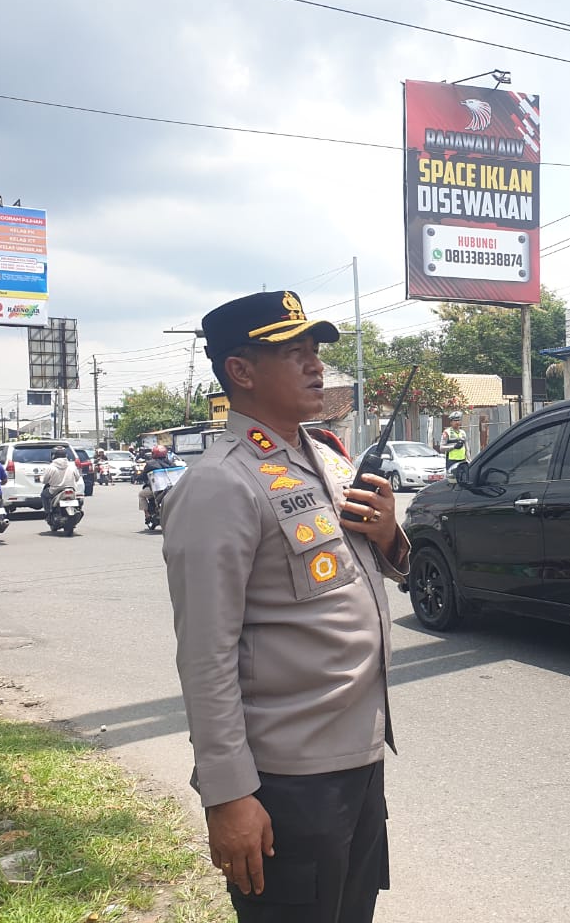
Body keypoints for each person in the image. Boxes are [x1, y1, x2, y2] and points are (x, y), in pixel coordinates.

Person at [163, 290, 410, 923]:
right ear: (241, 372)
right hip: (287, 780)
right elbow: (205, 655)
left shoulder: (322, 457)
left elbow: (355, 567)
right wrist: (229, 795)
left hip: (356, 757)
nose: (315, 366)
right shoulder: (220, 482)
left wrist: (388, 535)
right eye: (292, 353)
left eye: (315, 351)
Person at [137, 444, 176, 524]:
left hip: (156, 488)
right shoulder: (171, 463)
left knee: (141, 495)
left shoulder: (150, 464)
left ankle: (147, 515)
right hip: (171, 488)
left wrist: (138, 477)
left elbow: (143, 476)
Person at [40, 445, 81, 516]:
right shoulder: (72, 466)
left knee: (44, 495)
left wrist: (41, 478)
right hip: (71, 489)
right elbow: (77, 478)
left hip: (55, 490)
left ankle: (48, 513)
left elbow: (45, 481)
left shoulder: (51, 467)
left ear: (53, 456)